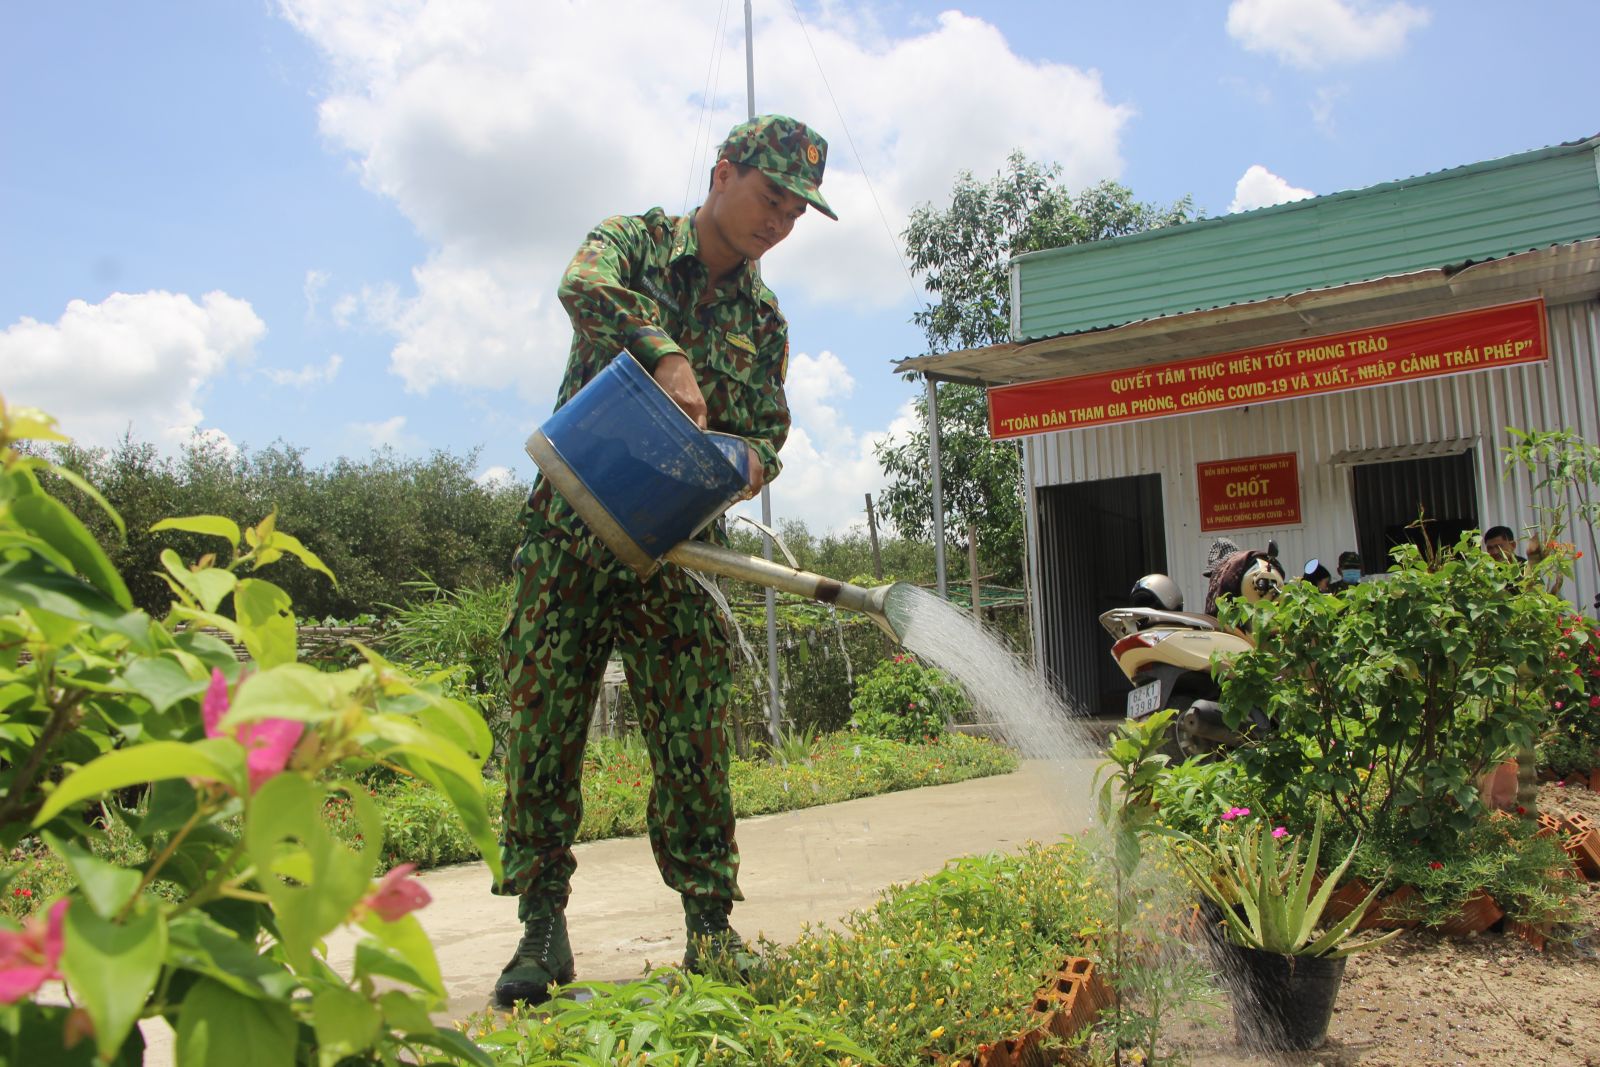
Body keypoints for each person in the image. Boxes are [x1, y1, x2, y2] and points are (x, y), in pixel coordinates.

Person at [491, 115, 836, 1008]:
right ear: (723, 174)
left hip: (679, 548)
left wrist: (752, 462)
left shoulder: (764, 320)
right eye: (770, 199)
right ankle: (540, 928)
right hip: (571, 527)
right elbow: (581, 284)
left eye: (796, 213)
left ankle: (711, 925)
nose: (779, 223)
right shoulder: (634, 245)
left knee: (692, 733)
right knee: (542, 724)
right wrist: (667, 356)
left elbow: (766, 430)